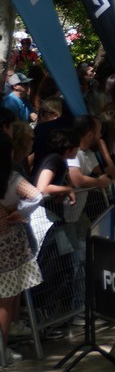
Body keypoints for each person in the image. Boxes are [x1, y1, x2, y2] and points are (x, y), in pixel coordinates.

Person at [0, 134, 44, 360]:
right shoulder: (13, 179)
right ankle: (2, 351)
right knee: (6, 300)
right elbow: (36, 196)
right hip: (8, 245)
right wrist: (19, 212)